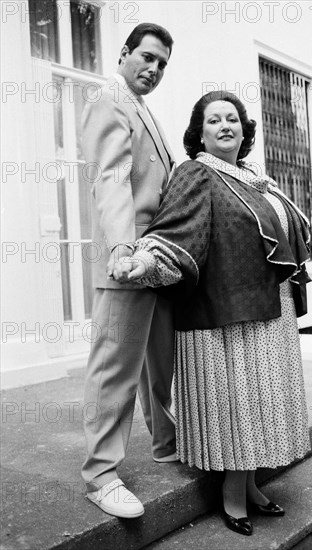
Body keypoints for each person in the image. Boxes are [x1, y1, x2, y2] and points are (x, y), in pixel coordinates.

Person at [111, 91, 312, 535]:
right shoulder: (197, 173)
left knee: (260, 403)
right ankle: (233, 495)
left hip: (269, 310)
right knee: (239, 405)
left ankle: (253, 487)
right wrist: (143, 261)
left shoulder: (256, 178)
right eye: (214, 120)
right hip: (223, 313)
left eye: (233, 119)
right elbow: (174, 230)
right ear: (199, 133)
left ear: (244, 129)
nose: (225, 125)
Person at [81, 23, 177, 519]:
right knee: (114, 369)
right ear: (124, 53)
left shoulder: (145, 110)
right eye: (146, 57)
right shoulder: (109, 100)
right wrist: (123, 251)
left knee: (158, 362)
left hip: (157, 259)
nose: (154, 68)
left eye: (162, 63)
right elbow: (112, 178)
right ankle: (100, 473)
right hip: (127, 260)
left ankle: (165, 442)